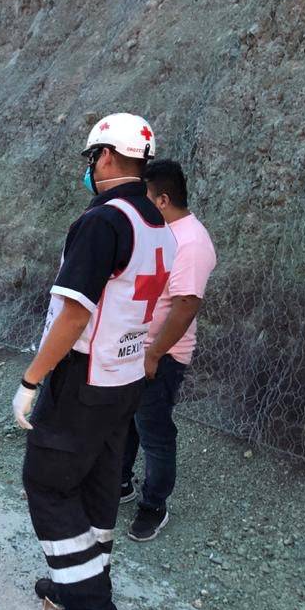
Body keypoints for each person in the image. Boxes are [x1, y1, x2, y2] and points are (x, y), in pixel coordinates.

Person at [12, 113, 177, 610]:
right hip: (126, 377)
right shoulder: (158, 224)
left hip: (84, 377)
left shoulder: (102, 222)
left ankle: (90, 605)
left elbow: (76, 314)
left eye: (92, 159)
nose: (90, 169)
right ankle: (80, 577)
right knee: (98, 485)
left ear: (105, 156)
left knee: (48, 480)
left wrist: (32, 379)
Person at [120, 159, 216, 541]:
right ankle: (121, 483)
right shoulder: (163, 229)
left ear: (162, 199)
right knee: (126, 421)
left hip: (161, 357)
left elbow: (186, 306)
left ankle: (153, 505)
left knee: (156, 433)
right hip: (135, 350)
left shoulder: (191, 242)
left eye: (144, 197)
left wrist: (154, 354)